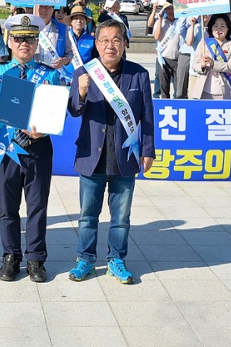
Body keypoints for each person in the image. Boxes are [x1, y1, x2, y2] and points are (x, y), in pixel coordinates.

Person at [0, 14, 62, 283]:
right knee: (8, 209)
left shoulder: (50, 74)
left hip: (38, 147)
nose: (25, 44)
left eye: (30, 39)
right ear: (9, 41)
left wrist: (46, 127)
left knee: (37, 207)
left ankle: (35, 258)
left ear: (36, 43)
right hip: (7, 150)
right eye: (19, 38)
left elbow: (59, 110)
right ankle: (11, 256)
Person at [67, 19, 155, 285]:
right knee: (87, 216)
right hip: (91, 156)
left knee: (121, 217)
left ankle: (116, 259)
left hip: (125, 156)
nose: (110, 46)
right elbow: (73, 111)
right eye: (104, 40)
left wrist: (148, 150)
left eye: (116, 40)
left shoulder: (139, 75)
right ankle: (85, 259)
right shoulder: (84, 73)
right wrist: (81, 93)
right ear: (96, 44)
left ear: (124, 44)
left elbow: (147, 117)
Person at [190, 13, 231, 100]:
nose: (218, 29)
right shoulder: (204, 43)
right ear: (211, 28)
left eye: (222, 26)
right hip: (204, 88)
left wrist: (213, 64)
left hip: (224, 88)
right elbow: (194, 65)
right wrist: (201, 65)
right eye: (215, 26)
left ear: (228, 28)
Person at [151, 1, 179, 98]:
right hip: (163, 58)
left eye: (173, 8)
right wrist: (159, 20)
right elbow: (157, 37)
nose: (171, 11)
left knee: (178, 90)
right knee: (164, 88)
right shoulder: (161, 22)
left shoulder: (180, 22)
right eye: (168, 9)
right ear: (164, 10)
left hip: (178, 58)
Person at [32, 4, 69, 77]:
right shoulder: (30, 27)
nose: (43, 10)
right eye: (41, 7)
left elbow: (69, 53)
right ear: (36, 8)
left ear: (53, 9)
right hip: (33, 74)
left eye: (47, 7)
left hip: (54, 75)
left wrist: (63, 61)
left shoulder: (62, 28)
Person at [63, 5, 95, 70]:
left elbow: (95, 60)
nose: (79, 21)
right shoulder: (64, 37)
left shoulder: (92, 40)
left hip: (84, 76)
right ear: (71, 22)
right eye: (75, 18)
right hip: (64, 77)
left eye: (82, 18)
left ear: (85, 22)